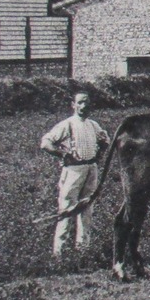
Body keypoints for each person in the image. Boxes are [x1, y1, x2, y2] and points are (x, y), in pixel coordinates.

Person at [41, 90, 110, 257]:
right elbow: (46, 143)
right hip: (73, 171)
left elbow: (105, 140)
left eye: (86, 102)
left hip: (90, 169)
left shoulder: (93, 125)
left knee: (87, 210)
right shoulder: (68, 124)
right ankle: (59, 253)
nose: (83, 106)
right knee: (66, 210)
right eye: (80, 102)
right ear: (73, 105)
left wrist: (99, 155)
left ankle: (83, 250)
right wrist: (63, 154)